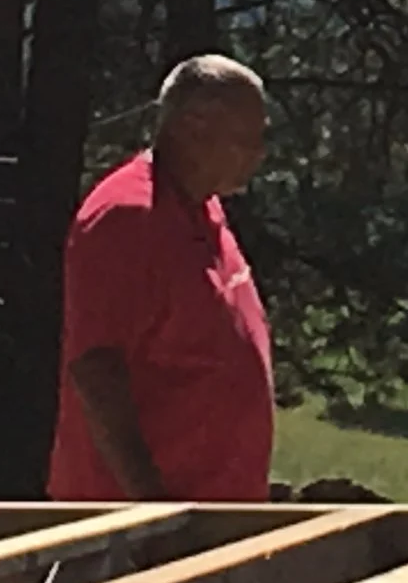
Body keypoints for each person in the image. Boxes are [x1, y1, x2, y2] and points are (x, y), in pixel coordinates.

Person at [46, 54, 275, 501]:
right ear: (194, 125)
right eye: (248, 137)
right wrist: (152, 511)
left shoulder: (202, 206)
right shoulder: (129, 217)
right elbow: (96, 371)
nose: (258, 153)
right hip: (136, 527)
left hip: (209, 514)